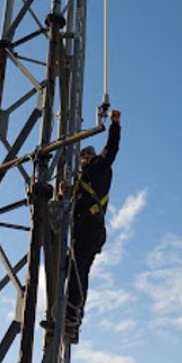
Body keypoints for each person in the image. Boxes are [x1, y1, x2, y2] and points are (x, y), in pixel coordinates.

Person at [65, 109, 121, 343]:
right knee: (69, 268)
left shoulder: (101, 166)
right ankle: (67, 313)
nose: (85, 158)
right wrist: (64, 195)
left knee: (79, 270)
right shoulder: (80, 180)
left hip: (91, 228)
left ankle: (72, 317)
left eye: (87, 155)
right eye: (82, 157)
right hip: (80, 228)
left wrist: (115, 125)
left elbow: (113, 148)